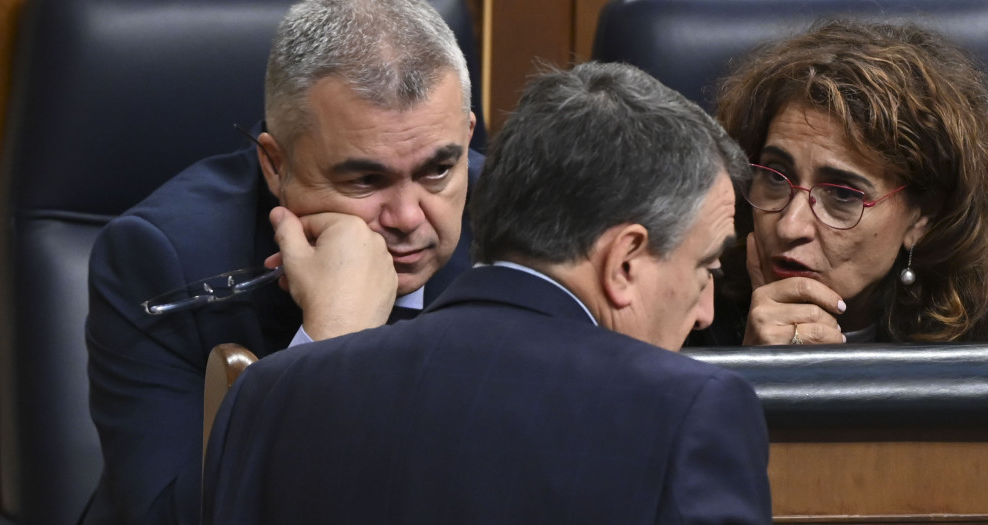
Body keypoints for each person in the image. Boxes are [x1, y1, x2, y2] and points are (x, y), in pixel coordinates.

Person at [201, 61, 773, 524]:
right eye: (705, 268)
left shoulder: (263, 396)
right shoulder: (688, 411)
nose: (704, 314)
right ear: (623, 261)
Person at [82, 0, 481, 522]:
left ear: (468, 136)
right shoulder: (162, 259)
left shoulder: (525, 232)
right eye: (364, 180)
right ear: (275, 164)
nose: (408, 217)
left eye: (438, 170)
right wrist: (331, 343)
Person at [697, 20, 988, 346]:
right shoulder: (701, 277)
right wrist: (755, 378)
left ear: (923, 215)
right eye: (776, 176)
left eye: (841, 194)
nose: (790, 225)